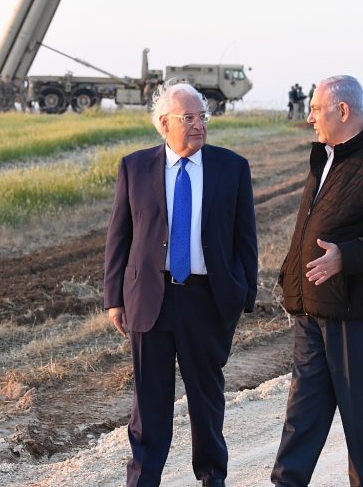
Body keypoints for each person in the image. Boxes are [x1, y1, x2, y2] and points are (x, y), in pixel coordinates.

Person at [104, 82, 258, 487]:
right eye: (187, 118)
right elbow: (119, 236)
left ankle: (212, 480)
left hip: (207, 301)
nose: (198, 125)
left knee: (206, 405)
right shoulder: (134, 167)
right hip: (149, 300)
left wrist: (245, 294)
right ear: (163, 124)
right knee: (149, 407)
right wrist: (113, 297)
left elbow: (246, 237)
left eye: (202, 117)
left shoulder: (232, 167)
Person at [271, 75, 363, 487]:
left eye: (316, 109)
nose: (310, 117)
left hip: (359, 318)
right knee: (301, 419)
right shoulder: (324, 157)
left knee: (362, 426)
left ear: (343, 110)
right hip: (312, 312)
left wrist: (345, 258)